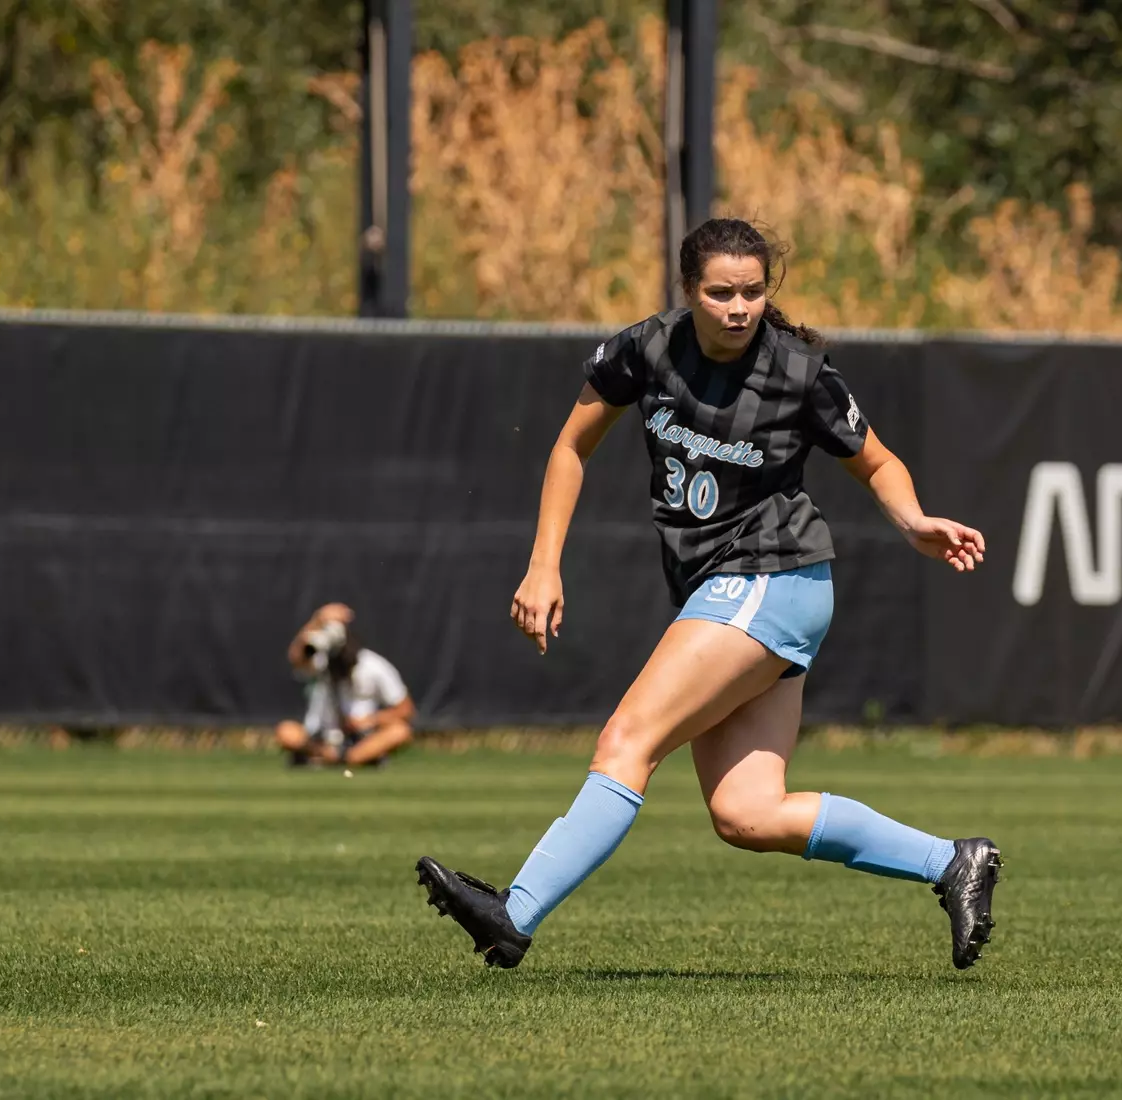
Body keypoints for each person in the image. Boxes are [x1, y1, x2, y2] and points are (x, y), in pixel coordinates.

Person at [414, 218, 1000, 971]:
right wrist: (544, 563)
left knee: (627, 741)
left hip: (772, 578)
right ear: (689, 290)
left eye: (753, 292)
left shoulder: (799, 370)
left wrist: (914, 519)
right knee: (745, 813)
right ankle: (953, 863)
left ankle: (514, 913)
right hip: (728, 592)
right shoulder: (645, 348)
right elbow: (569, 448)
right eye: (720, 292)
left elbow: (878, 462)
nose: (738, 307)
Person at [276, 602, 415, 768]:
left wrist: (368, 721)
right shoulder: (321, 662)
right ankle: (339, 758)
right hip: (322, 739)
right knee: (286, 732)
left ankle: (347, 758)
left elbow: (406, 709)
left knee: (400, 732)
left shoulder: (373, 666)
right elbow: (296, 657)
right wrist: (317, 620)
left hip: (361, 738)